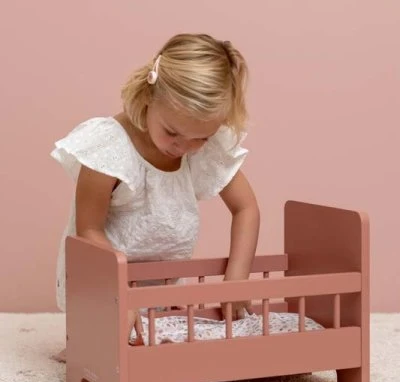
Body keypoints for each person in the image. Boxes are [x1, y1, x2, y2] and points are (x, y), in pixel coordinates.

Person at [51, 33, 260, 359]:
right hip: (106, 280)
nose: (183, 147)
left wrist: (237, 278)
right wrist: (119, 294)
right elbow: (89, 230)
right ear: (149, 96)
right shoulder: (108, 147)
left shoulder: (199, 145)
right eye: (172, 132)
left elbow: (246, 208)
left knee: (170, 359)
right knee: (103, 356)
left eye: (201, 139)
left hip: (163, 284)